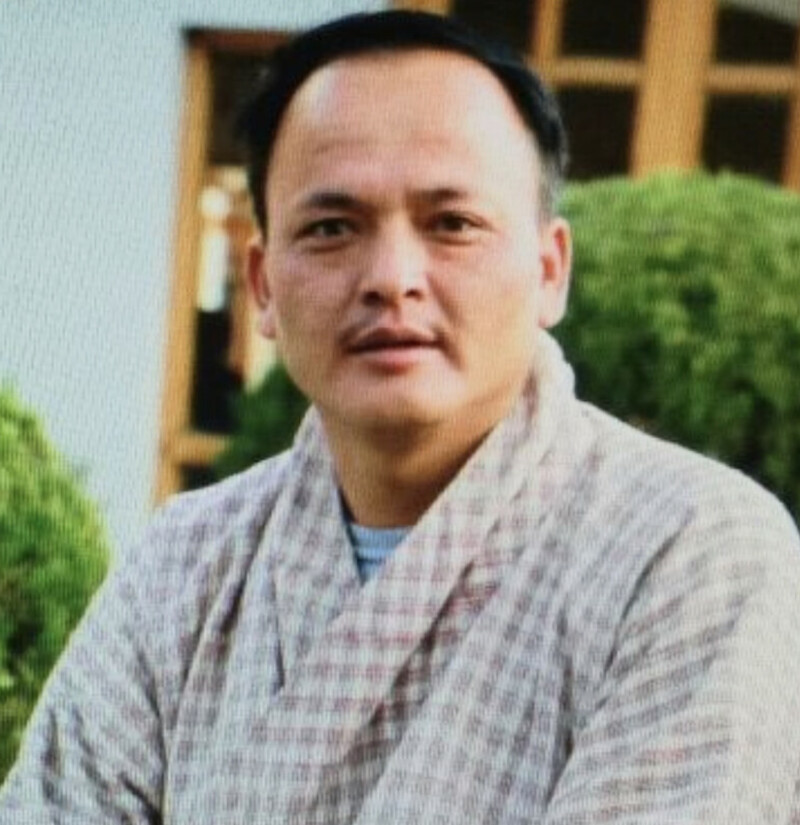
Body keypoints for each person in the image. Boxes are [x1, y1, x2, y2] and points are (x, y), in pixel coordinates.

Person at [2, 10, 800, 824]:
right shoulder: (183, 567)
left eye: (453, 224)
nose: (391, 277)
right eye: (331, 228)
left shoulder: (693, 551)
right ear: (264, 284)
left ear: (549, 269)